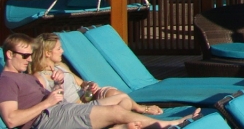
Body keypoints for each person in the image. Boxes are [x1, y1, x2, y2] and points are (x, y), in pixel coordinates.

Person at [0, 33, 196, 129]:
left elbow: (59, 97)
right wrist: (48, 102)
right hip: (46, 120)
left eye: (30, 55)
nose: (29, 60)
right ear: (10, 54)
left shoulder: (23, 77)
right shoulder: (7, 81)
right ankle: (171, 124)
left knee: (120, 114)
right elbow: (11, 120)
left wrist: (58, 86)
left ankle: (153, 124)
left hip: (60, 110)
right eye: (25, 56)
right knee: (116, 111)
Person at [30, 33, 161, 115]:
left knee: (114, 94)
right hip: (75, 109)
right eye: (58, 49)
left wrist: (89, 85)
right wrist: (58, 84)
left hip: (87, 98)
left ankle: (135, 111)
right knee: (123, 101)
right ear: (47, 53)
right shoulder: (39, 77)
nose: (62, 51)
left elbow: (81, 83)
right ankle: (138, 111)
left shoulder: (61, 66)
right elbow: (52, 106)